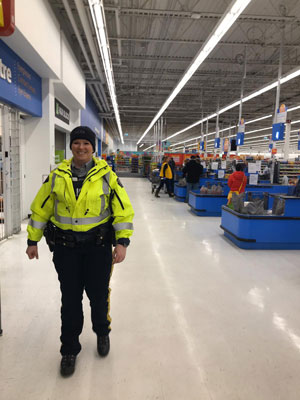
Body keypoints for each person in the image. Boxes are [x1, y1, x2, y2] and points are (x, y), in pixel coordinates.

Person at [26, 126, 134, 377]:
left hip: (98, 249)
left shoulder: (107, 176)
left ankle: (102, 333)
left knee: (98, 296)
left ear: (93, 148)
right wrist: (32, 240)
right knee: (70, 299)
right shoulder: (57, 176)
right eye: (77, 143)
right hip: (66, 250)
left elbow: (123, 210)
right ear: (71, 146)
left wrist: (122, 241)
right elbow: (41, 209)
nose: (81, 147)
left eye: (86, 143)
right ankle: (69, 349)